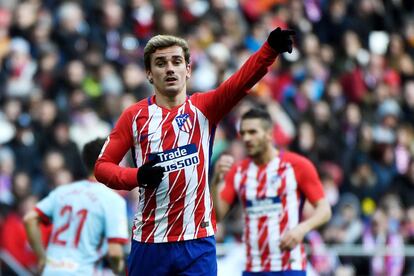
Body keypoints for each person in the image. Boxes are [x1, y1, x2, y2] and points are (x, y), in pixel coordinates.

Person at [94, 28, 295, 275]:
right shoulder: (134, 117)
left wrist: (269, 50)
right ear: (149, 73)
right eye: (160, 63)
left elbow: (240, 83)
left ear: (187, 70)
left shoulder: (205, 108)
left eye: (176, 61)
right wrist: (137, 176)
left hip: (197, 241)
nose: (169, 68)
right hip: (150, 240)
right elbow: (102, 167)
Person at [213, 108, 332, 276]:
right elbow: (218, 216)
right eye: (243, 133)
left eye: (253, 132)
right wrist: (216, 180)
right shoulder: (238, 171)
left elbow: (325, 210)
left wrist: (301, 229)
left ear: (269, 134)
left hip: (289, 266)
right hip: (253, 267)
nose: (246, 138)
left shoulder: (297, 166)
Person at [23, 138, 129, 275]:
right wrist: (119, 272)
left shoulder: (62, 192)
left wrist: (42, 258)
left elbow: (29, 219)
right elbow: (115, 253)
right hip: (83, 271)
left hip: (51, 271)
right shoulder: (112, 200)